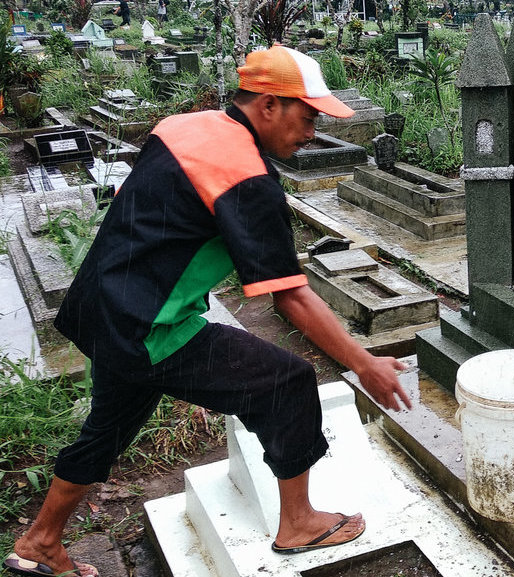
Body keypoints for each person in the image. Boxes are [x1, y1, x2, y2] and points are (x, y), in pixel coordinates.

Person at [3, 44, 412, 577]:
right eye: (307, 116)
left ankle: (40, 542)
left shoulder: (183, 126)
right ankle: (300, 524)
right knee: (286, 380)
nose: (313, 132)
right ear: (268, 104)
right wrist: (364, 363)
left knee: (106, 427)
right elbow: (289, 294)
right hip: (150, 326)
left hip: (101, 307)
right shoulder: (248, 179)